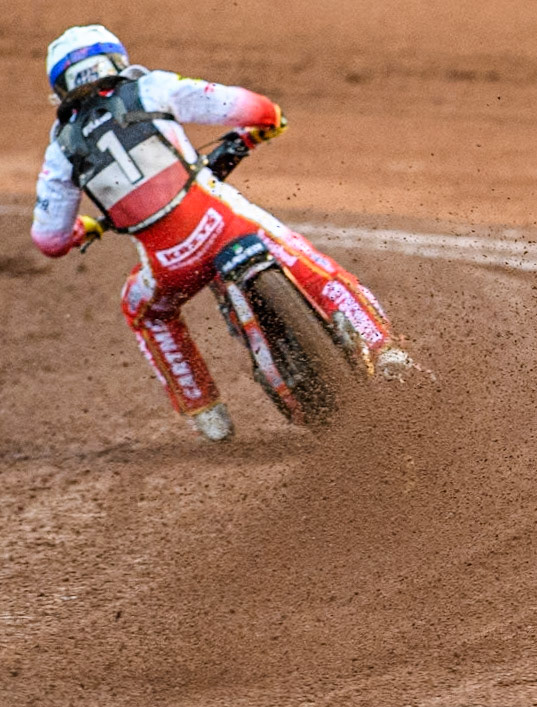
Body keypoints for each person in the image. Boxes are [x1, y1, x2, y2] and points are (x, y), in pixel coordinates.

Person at [30, 25, 409, 442]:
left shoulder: (60, 149)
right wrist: (270, 122)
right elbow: (254, 108)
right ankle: (384, 348)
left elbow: (49, 240)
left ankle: (205, 410)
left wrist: (83, 229)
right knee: (305, 260)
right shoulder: (153, 88)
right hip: (223, 223)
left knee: (144, 309)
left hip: (169, 264)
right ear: (117, 62)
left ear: (61, 88)